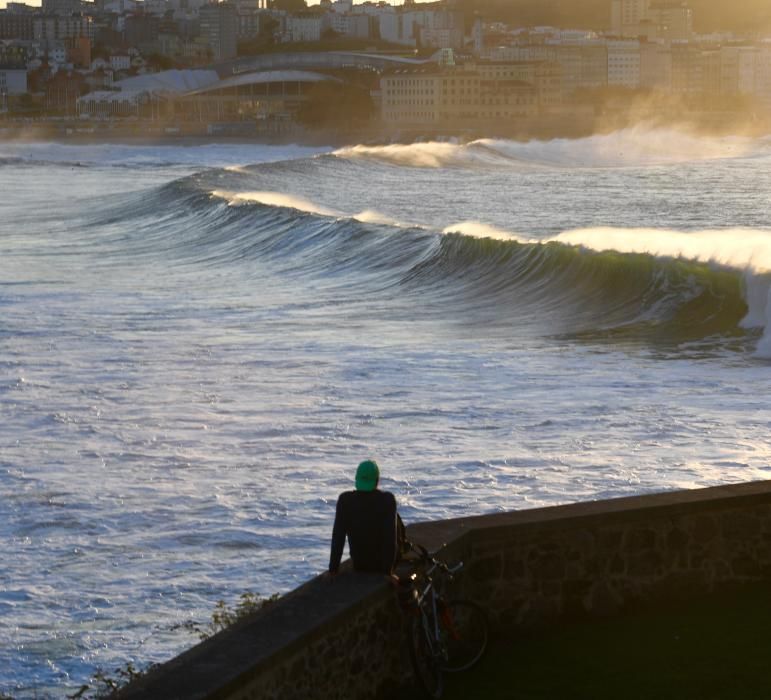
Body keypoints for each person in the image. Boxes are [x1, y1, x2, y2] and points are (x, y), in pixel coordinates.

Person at [328, 459, 401, 576]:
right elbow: (390, 539)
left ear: (357, 479)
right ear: (377, 481)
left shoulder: (345, 500)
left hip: (359, 564)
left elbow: (338, 538)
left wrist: (333, 570)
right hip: (380, 566)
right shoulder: (387, 500)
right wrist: (388, 572)